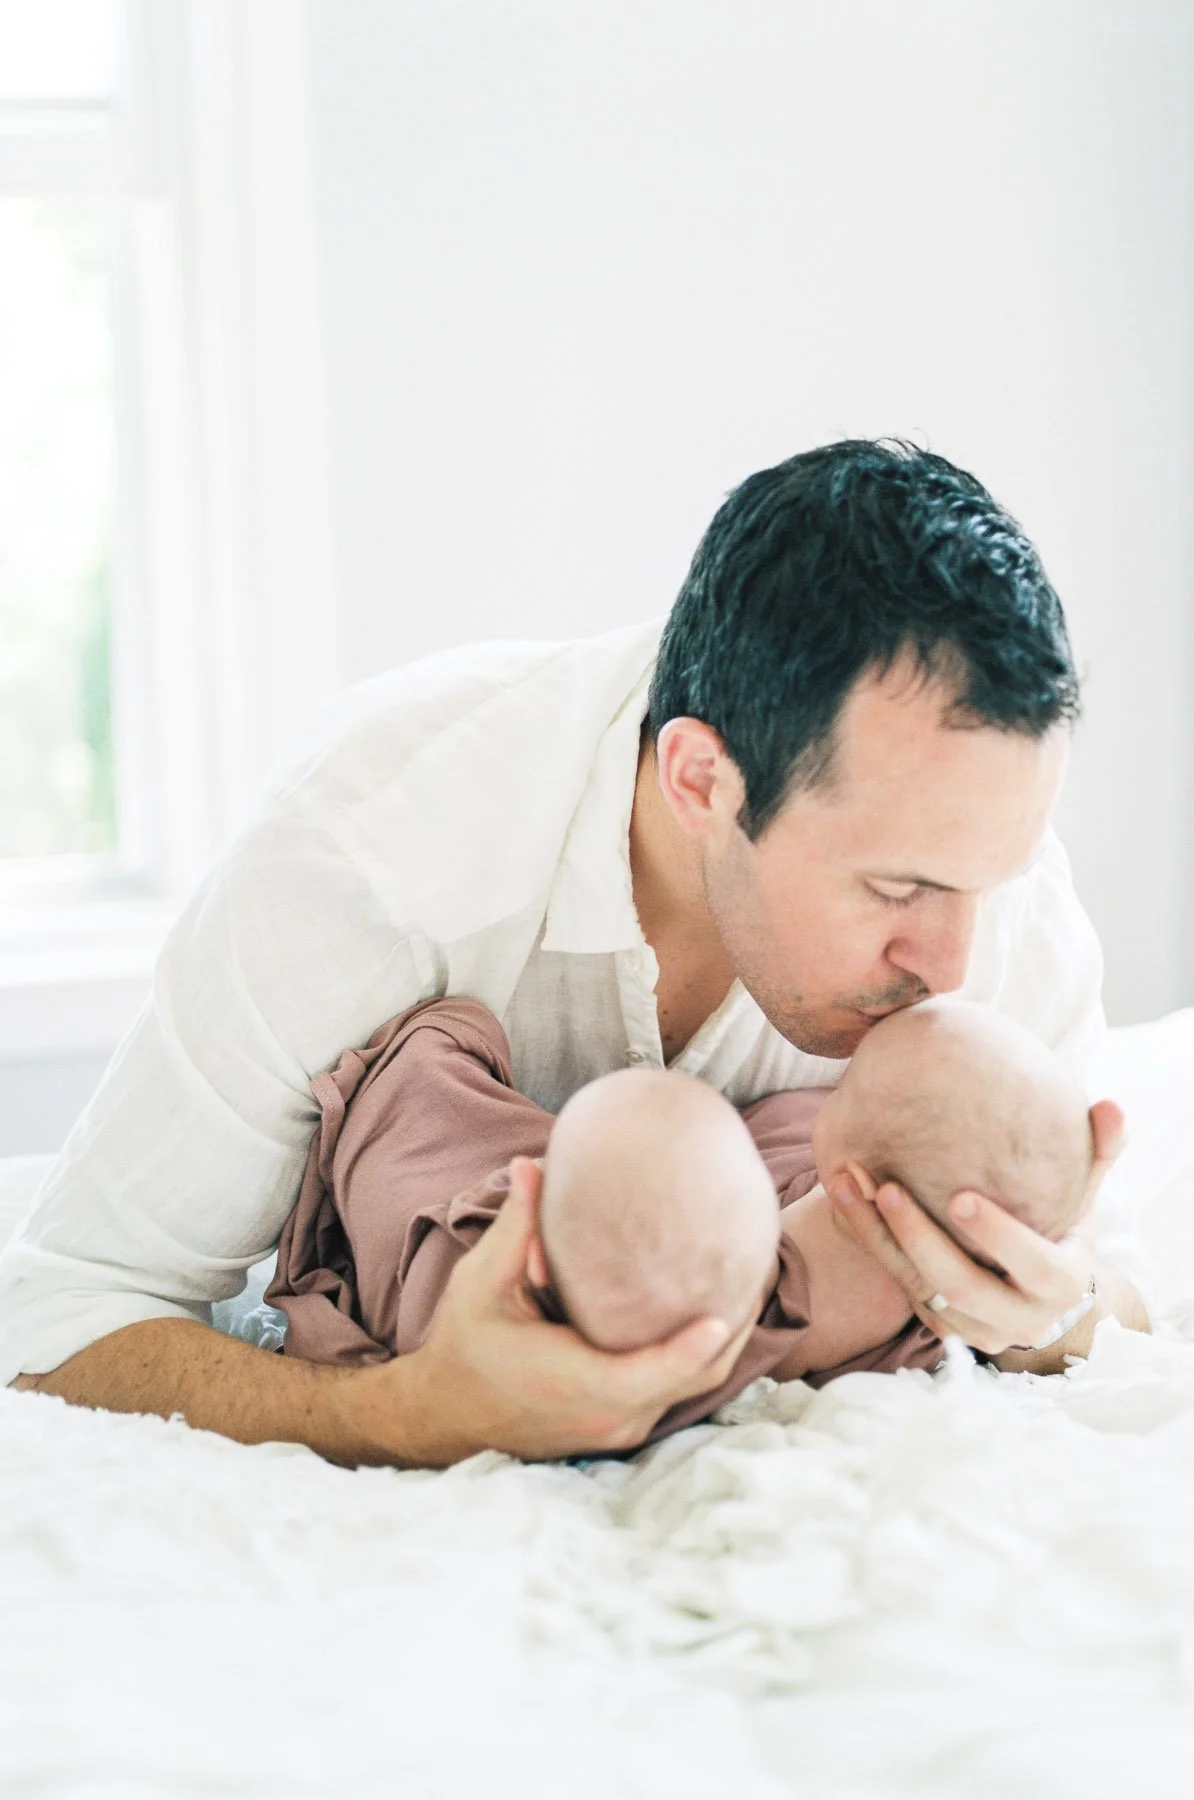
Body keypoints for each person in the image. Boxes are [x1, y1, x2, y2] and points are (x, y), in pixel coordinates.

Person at [2, 438, 1136, 1463]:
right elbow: (55, 1317)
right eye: (898, 888)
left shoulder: (1000, 899)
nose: (950, 962)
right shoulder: (369, 860)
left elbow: (1110, 1290)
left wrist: (1050, 1317)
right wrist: (409, 1414)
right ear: (701, 779)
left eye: (992, 880)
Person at [266, 991, 1124, 1461]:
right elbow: (1126, 1318)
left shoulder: (781, 1194)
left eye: (850, 1087)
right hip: (692, 1340)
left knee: (444, 1073)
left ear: (849, 1177)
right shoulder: (926, 1324)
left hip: (473, 1310)